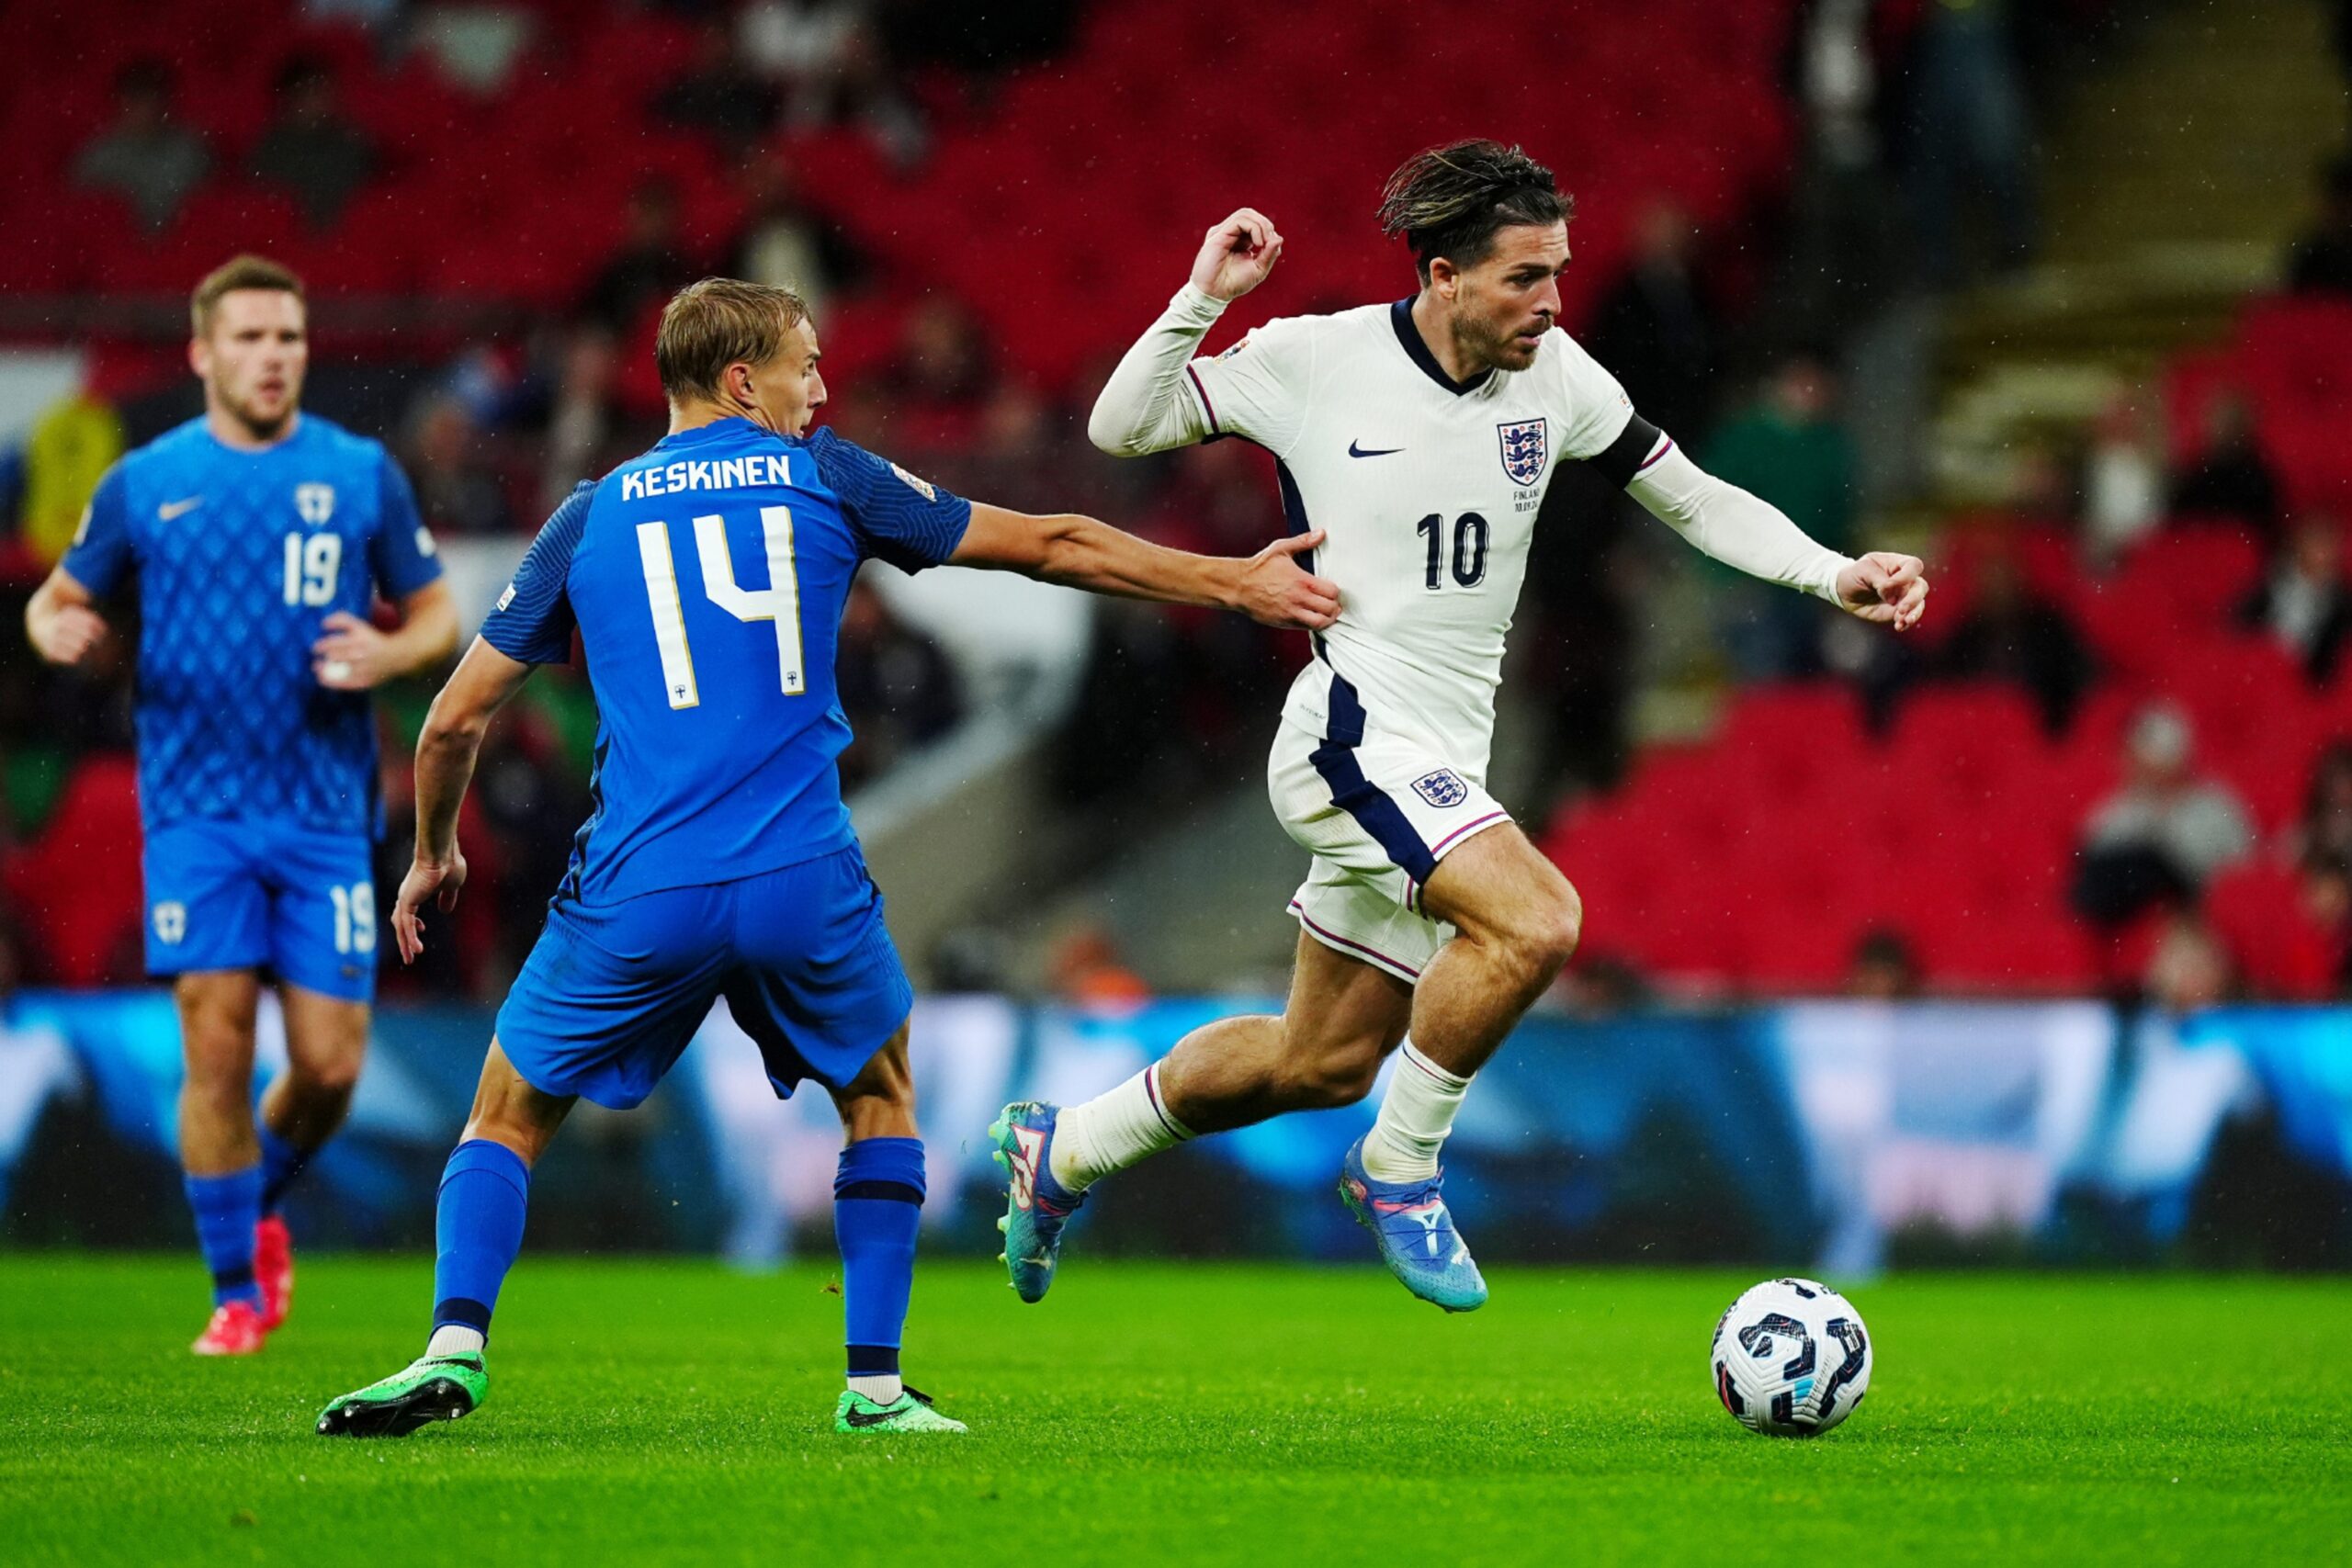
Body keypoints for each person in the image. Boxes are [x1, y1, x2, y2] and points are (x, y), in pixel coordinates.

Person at [313, 277, 1338, 1439]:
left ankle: (453, 1347)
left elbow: (450, 722)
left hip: (642, 879)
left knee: (505, 1113)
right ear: (744, 381)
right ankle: (874, 1387)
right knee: (879, 1096)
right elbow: (1049, 543)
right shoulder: (824, 474)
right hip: (802, 876)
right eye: (807, 363)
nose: (825, 386)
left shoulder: (587, 516)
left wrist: (433, 852)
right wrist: (1234, 579)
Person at [996, 141, 1928, 1314]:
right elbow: (1119, 430)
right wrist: (1201, 302)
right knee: (1538, 922)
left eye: (1558, 274)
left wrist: (1831, 573)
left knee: (1319, 1062)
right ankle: (1399, 1169)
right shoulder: (1316, 359)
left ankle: (1066, 1149)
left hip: (1443, 755)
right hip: (1350, 734)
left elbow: (1687, 491)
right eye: (1523, 278)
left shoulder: (1559, 376)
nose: (1549, 302)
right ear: (1441, 277)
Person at [22, 255, 458, 1355]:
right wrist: (54, 629)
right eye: (253, 339)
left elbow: (438, 612)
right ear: (203, 353)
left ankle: (251, 1199)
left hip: (320, 818)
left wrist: (391, 644)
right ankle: (233, 1287)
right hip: (195, 816)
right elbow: (57, 596)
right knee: (213, 1040)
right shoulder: (144, 482)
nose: (273, 358)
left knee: (329, 1067)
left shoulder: (359, 474)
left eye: (290, 340)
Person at [72, 58, 212, 231]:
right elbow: (84, 222)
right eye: (134, 102)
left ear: (166, 104)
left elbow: (206, 214)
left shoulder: (192, 151)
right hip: (112, 253)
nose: (144, 111)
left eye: (150, 101)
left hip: (185, 250)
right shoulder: (97, 158)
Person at [248, 54, 377, 229]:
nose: (321, 100)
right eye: (312, 92)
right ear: (291, 98)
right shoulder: (270, 148)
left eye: (325, 91)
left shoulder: (352, 143)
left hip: (343, 237)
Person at [2234, 515, 2350, 685]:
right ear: (2298, 543)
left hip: (2308, 691)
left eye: (2327, 545)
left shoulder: (2343, 605)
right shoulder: (2267, 585)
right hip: (2257, 678)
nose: (2322, 553)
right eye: (2314, 541)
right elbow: (2239, 631)